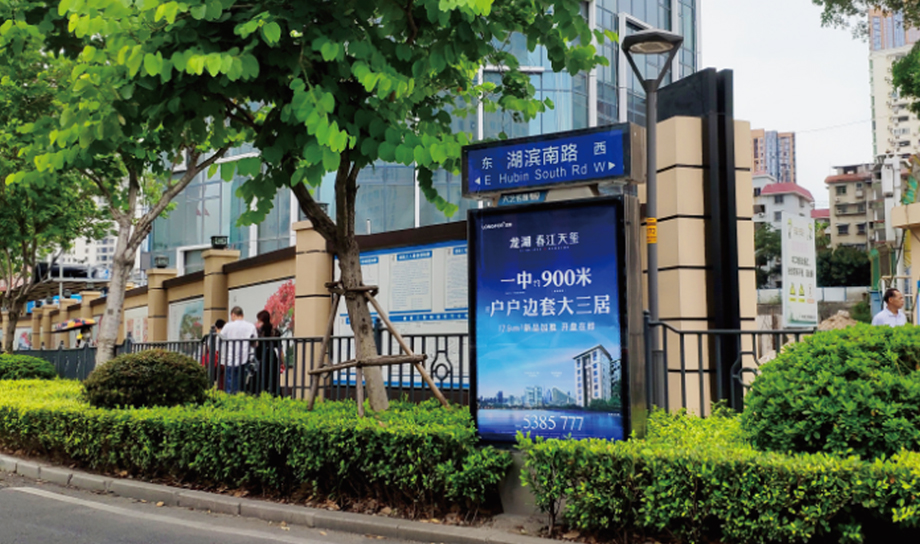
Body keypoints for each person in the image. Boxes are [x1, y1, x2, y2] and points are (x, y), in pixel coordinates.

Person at [220, 307, 257, 394]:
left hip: (230, 359)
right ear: (242, 315)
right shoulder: (250, 326)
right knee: (241, 386)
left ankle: (230, 399)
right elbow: (255, 343)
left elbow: (220, 338)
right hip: (244, 359)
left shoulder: (228, 326)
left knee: (230, 386)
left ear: (233, 315)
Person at [254, 310, 283, 395]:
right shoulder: (275, 331)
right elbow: (280, 349)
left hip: (262, 358)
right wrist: (282, 362)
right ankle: (275, 396)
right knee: (274, 380)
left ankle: (262, 396)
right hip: (272, 357)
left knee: (262, 380)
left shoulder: (259, 332)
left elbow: (256, 345)